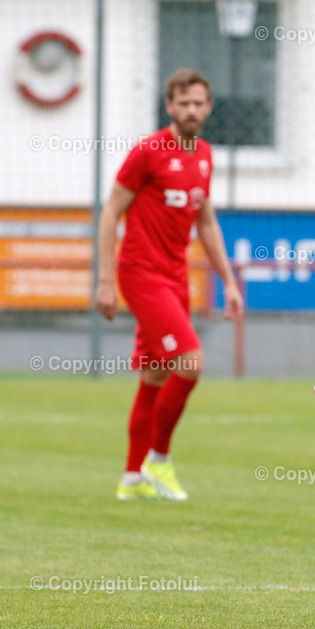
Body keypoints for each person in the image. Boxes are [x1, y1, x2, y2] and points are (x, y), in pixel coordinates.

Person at [94, 68, 244, 501]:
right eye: (184, 103)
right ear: (170, 106)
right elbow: (110, 212)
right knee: (190, 361)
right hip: (141, 274)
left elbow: (206, 222)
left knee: (156, 373)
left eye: (199, 103)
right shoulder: (148, 152)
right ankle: (158, 461)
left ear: (209, 107)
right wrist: (105, 279)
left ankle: (131, 478)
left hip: (175, 277)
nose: (191, 110)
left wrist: (229, 282)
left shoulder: (205, 155)